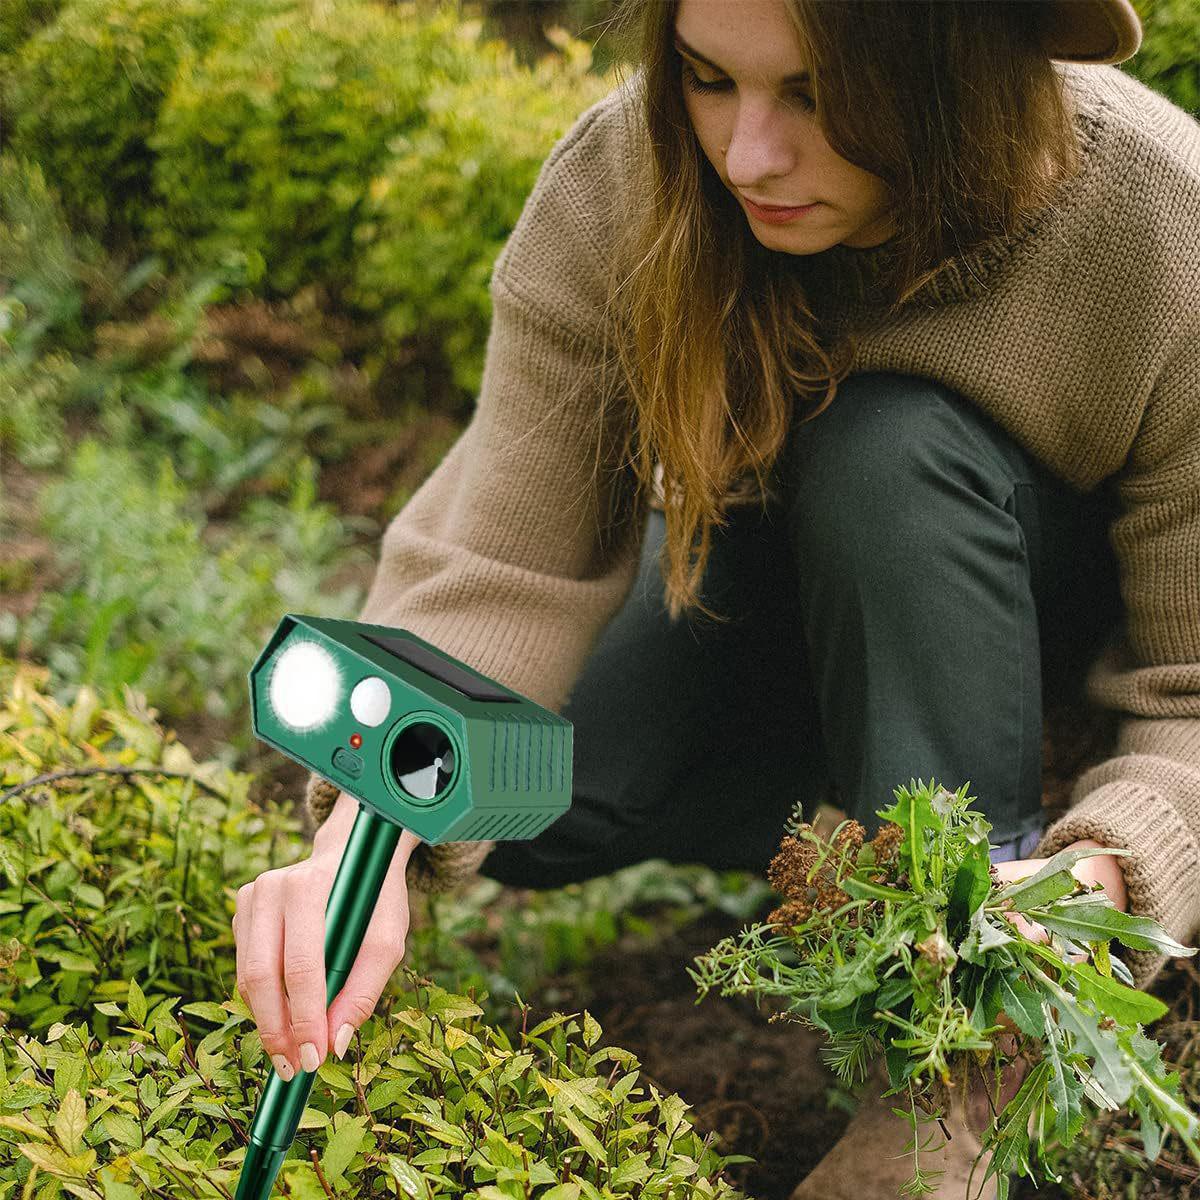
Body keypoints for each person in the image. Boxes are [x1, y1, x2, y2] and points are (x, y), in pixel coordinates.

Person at [234, 1, 1200, 1195]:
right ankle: (850, 830)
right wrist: (364, 836)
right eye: (705, 78)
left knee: (888, 446)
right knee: (525, 787)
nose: (746, 157)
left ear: (959, 67)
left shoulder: (1161, 230)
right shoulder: (626, 180)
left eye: (816, 96)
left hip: (1034, 698)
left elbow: (1195, 695)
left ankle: (951, 1065)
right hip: (786, 614)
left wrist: (1095, 878)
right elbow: (501, 565)